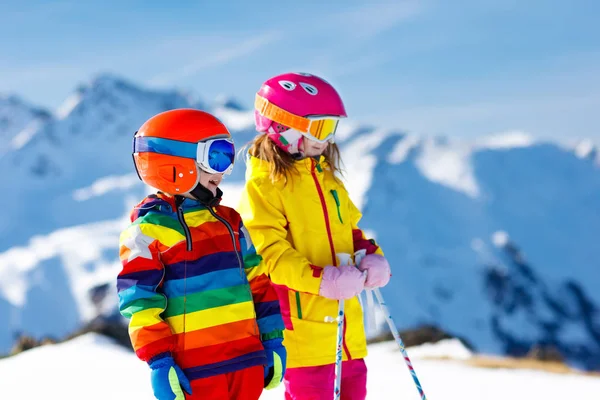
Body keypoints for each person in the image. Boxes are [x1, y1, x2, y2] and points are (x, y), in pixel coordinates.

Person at [237, 72, 392, 400]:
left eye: (332, 127)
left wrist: (370, 254)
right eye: (319, 127)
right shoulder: (263, 188)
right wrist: (323, 280)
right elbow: (271, 256)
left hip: (346, 332)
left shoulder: (326, 179)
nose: (327, 139)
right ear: (281, 126)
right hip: (303, 334)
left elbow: (350, 230)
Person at [117, 109, 286, 400]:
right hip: (195, 374)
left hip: (246, 363)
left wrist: (272, 337)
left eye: (228, 157)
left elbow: (258, 282)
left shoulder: (231, 222)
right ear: (174, 164)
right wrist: (159, 360)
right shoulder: (148, 231)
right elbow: (139, 301)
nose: (223, 170)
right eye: (216, 157)